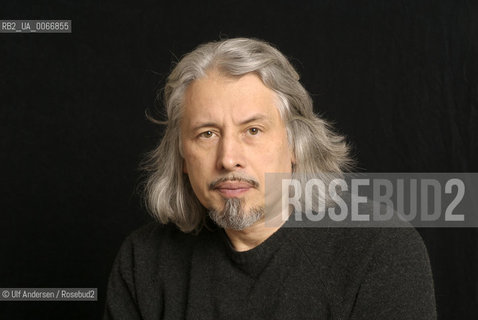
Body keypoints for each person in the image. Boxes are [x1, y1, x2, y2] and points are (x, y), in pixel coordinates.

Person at [104, 38, 436, 319]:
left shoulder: (379, 249)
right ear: (182, 157)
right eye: (207, 134)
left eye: (253, 130)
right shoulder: (144, 261)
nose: (228, 158)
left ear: (295, 145)